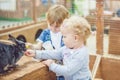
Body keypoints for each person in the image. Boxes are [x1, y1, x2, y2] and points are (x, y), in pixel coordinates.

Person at [24, 15, 92, 80]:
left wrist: (52, 65)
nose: (62, 39)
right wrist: (36, 53)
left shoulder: (81, 54)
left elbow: (68, 71)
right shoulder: (66, 48)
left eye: (64, 36)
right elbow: (53, 53)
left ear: (75, 38)